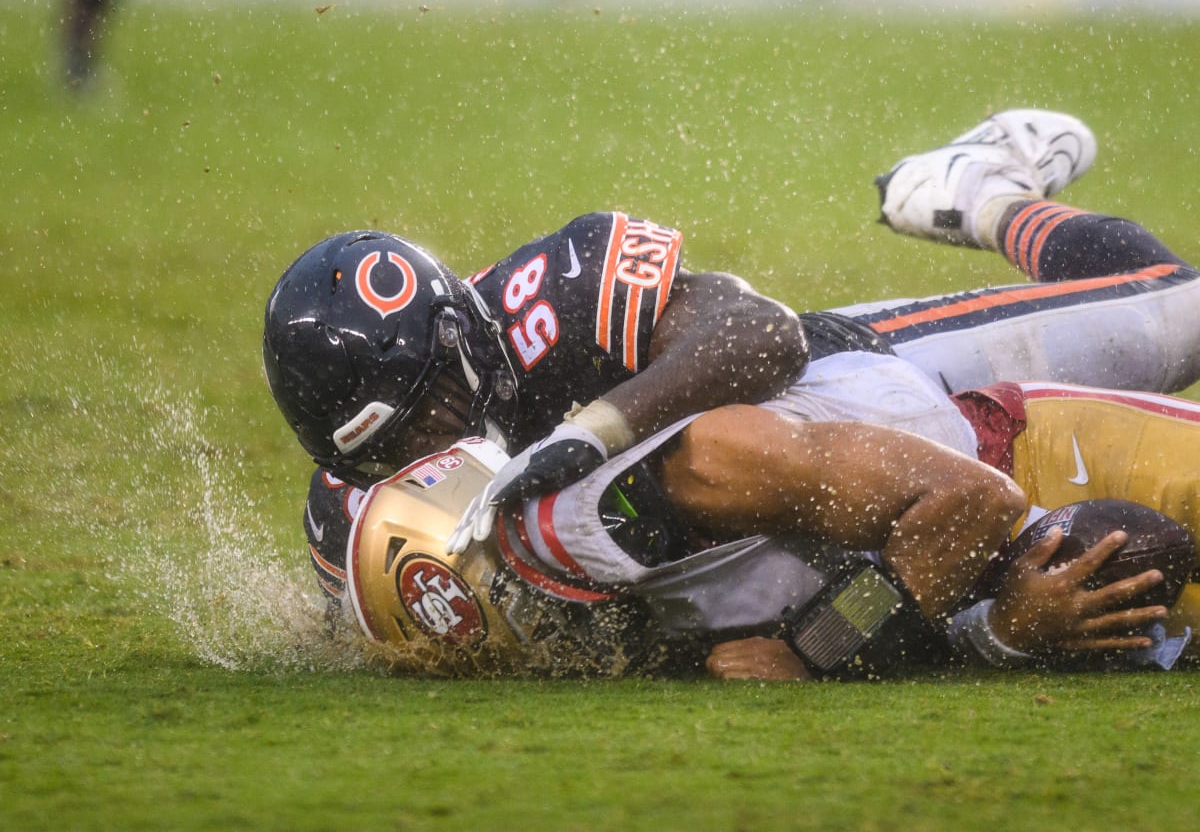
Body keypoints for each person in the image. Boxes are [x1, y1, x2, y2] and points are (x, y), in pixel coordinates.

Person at [264, 108, 1200, 601]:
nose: (418, 452)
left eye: (425, 414)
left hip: (861, 381)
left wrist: (595, 429)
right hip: (789, 516)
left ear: (461, 344)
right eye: (382, 447)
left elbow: (765, 334)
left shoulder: (551, 293)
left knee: (1181, 312)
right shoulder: (356, 498)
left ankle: (982, 195)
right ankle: (986, 187)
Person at [342, 361, 1190, 681]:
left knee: (1134, 542)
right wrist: (999, 636)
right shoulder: (604, 579)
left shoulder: (696, 469)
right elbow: (911, 620)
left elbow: (974, 507)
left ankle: (988, 197)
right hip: (976, 562)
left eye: (512, 614)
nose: (537, 645)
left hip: (1028, 457)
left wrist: (812, 650)